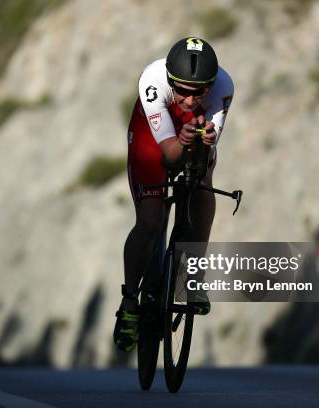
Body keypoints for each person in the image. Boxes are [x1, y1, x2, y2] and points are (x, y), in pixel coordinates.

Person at [113, 37, 234, 352]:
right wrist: (180, 140)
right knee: (150, 221)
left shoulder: (223, 85)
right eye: (181, 90)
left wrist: (203, 142)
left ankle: (192, 272)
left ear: (211, 85)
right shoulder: (152, 81)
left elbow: (205, 154)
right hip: (151, 138)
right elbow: (168, 156)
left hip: (190, 134)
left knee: (203, 180)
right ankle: (129, 303)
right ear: (169, 81)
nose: (190, 100)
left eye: (199, 92)